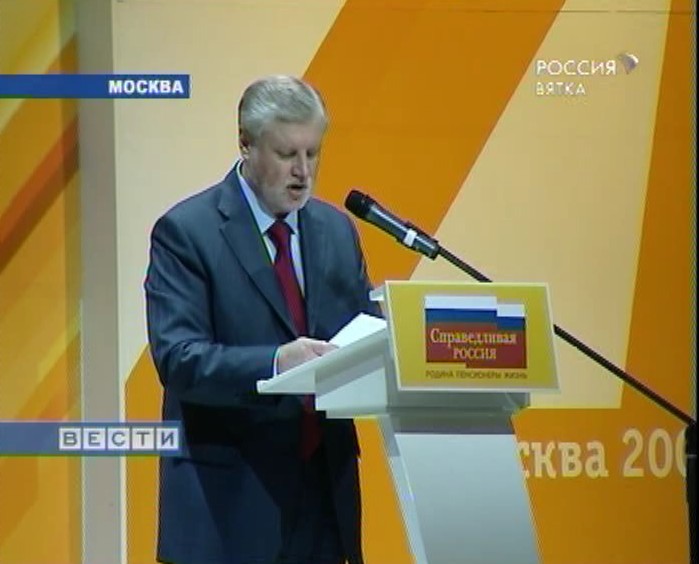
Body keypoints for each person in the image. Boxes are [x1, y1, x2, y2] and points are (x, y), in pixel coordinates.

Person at [144, 75, 379, 564]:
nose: (303, 172)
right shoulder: (187, 232)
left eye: (313, 153)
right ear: (246, 144)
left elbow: (361, 335)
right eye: (286, 153)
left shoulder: (336, 231)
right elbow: (180, 359)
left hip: (323, 502)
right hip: (229, 507)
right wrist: (276, 363)